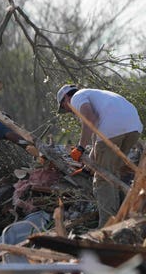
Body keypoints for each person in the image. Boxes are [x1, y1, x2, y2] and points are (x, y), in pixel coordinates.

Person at [56, 84, 143, 226]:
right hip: (134, 128)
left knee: (103, 179)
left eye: (63, 107)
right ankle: (125, 219)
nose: (67, 110)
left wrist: (80, 148)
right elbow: (96, 134)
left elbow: (90, 120)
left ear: (66, 98)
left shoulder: (77, 97)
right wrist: (89, 161)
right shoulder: (97, 94)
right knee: (114, 173)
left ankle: (107, 226)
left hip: (112, 130)